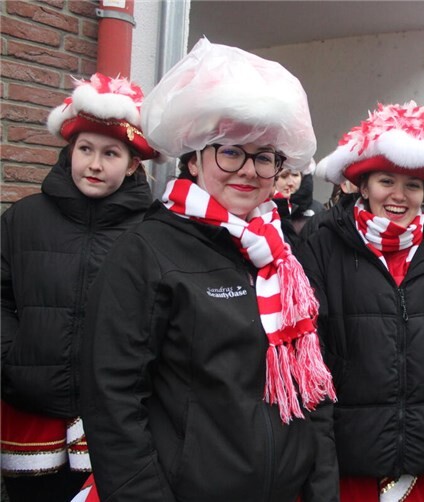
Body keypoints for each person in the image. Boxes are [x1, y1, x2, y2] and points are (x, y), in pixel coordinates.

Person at [79, 40, 337, 501]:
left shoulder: (282, 255)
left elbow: (310, 391)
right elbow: (112, 400)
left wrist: (321, 490)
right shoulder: (147, 252)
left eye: (264, 156)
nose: (249, 170)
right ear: (194, 160)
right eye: (231, 152)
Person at [300, 101, 424, 502]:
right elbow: (309, 367)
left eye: (412, 185)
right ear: (363, 185)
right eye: (386, 181)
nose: (399, 196)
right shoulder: (321, 249)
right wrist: (317, 470)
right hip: (346, 467)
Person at [0, 74, 157, 502]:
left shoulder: (153, 231)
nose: (94, 164)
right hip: (30, 415)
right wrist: (12, 356)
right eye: (85, 149)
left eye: (111, 153)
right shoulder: (23, 219)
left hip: (115, 419)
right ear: (70, 150)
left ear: (133, 164)